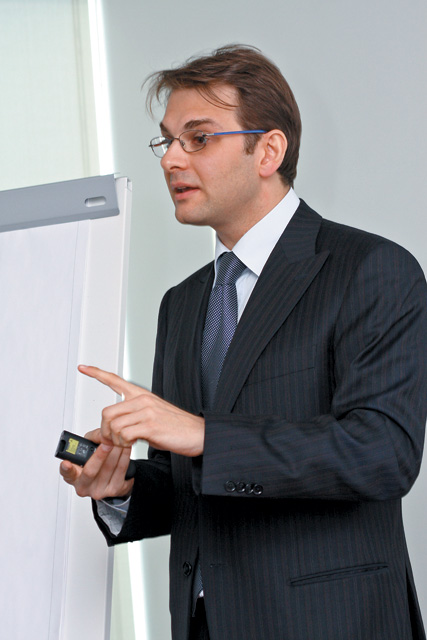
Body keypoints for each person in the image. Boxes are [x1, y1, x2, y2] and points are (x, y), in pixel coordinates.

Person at [60, 44, 427, 640]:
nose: (171, 159)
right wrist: (120, 487)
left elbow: (382, 453)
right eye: (167, 141)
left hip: (330, 624)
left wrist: (204, 434)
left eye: (198, 138)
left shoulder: (370, 269)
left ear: (269, 151)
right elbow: (192, 480)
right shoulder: (182, 303)